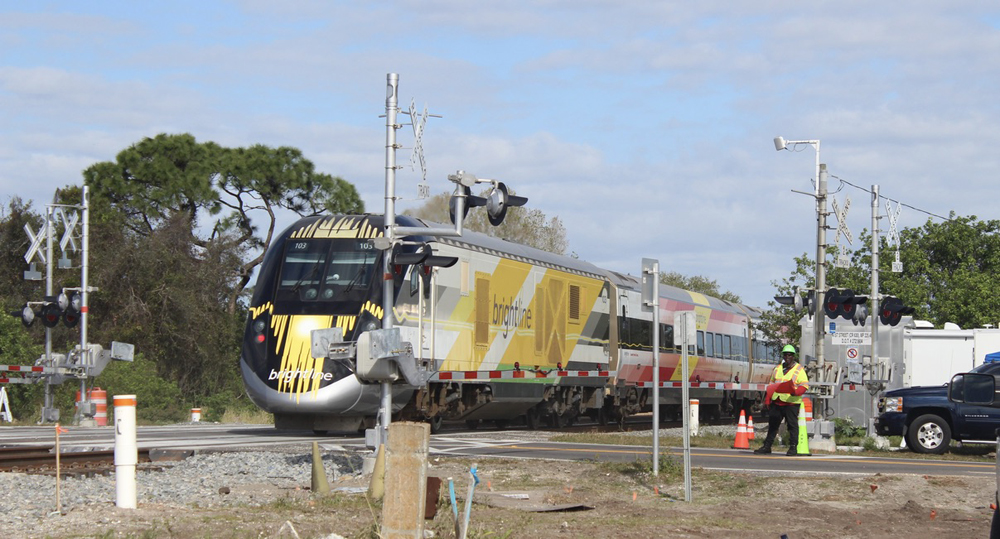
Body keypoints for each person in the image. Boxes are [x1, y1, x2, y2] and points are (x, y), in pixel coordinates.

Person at [754, 344, 810, 455]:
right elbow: (771, 385)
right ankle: (767, 446)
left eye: (790, 355)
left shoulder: (799, 369)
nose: (787, 357)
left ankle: (793, 447)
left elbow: (804, 386)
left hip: (791, 402)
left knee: (792, 426)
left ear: (793, 356)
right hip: (777, 401)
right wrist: (767, 400)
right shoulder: (778, 368)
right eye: (785, 355)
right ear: (783, 356)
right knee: (773, 426)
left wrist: (795, 392)